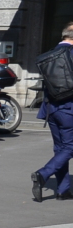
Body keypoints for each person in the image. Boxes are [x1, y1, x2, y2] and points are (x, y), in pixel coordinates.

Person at [32, 24, 73, 202]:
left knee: (60, 149)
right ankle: (43, 174)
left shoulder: (51, 53)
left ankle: (63, 190)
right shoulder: (70, 54)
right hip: (69, 109)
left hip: (51, 109)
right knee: (70, 147)